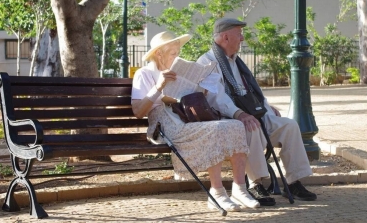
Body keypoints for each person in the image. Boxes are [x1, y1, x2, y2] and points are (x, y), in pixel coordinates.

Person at [131, 31, 261, 212]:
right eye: (173, 53)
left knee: (235, 125)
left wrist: (200, 89)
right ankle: (217, 193)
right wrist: (158, 87)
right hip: (164, 124)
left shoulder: (177, 71)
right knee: (214, 129)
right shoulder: (144, 74)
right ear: (159, 53)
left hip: (186, 117)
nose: (177, 57)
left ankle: (240, 189)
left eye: (178, 53)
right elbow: (138, 111)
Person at [197, 18, 317, 205]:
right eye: (239, 34)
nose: (243, 38)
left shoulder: (236, 62)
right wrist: (240, 114)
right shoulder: (207, 62)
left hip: (252, 114)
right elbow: (216, 98)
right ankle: (256, 183)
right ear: (225, 37)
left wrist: (267, 108)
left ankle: (293, 182)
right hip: (230, 119)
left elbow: (250, 92)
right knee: (251, 127)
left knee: (289, 125)